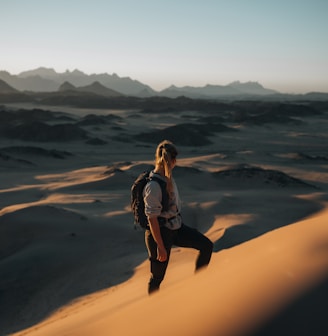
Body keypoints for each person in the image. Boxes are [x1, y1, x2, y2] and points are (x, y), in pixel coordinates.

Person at [143, 139, 213, 294]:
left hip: (176, 227)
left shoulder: (168, 179)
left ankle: (198, 286)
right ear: (172, 160)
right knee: (157, 278)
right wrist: (160, 246)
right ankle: (150, 310)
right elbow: (152, 218)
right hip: (160, 233)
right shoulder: (154, 185)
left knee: (206, 245)